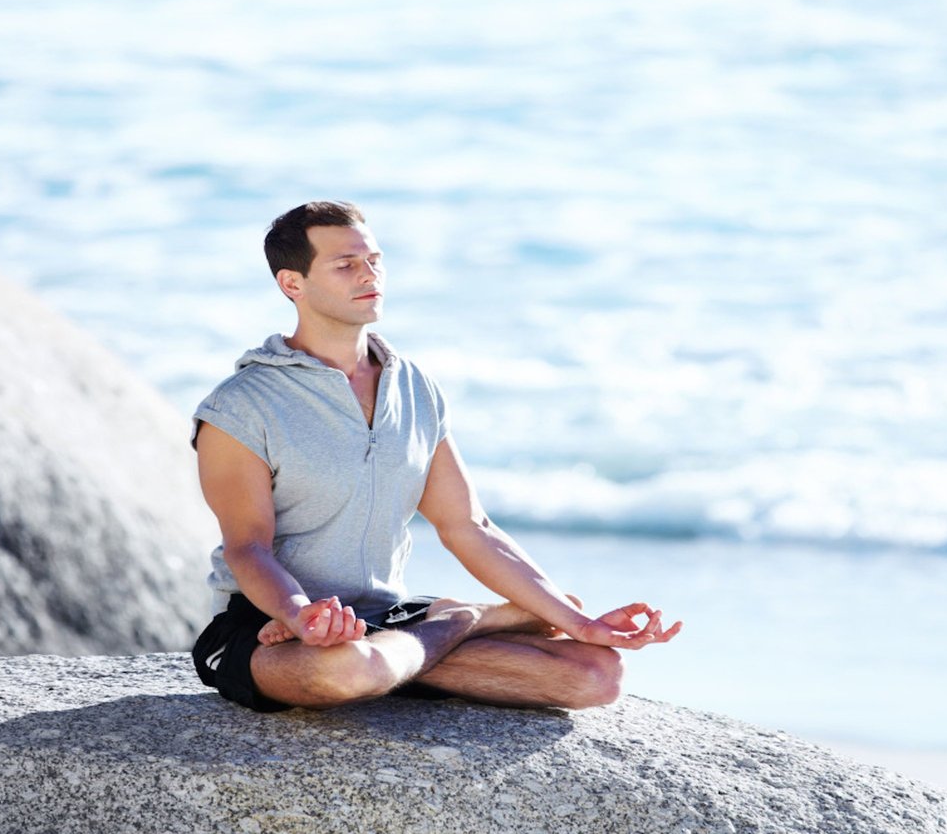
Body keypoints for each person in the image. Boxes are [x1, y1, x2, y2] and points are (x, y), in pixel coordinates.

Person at [188, 201, 680, 712]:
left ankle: (428, 637)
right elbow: (249, 548)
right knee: (349, 668)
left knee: (596, 676)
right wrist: (299, 616)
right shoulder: (241, 406)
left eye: (374, 260)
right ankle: (463, 619)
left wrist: (580, 624)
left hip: (387, 618)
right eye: (346, 265)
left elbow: (468, 526)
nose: (369, 274)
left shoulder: (413, 387)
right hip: (267, 625)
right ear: (293, 284)